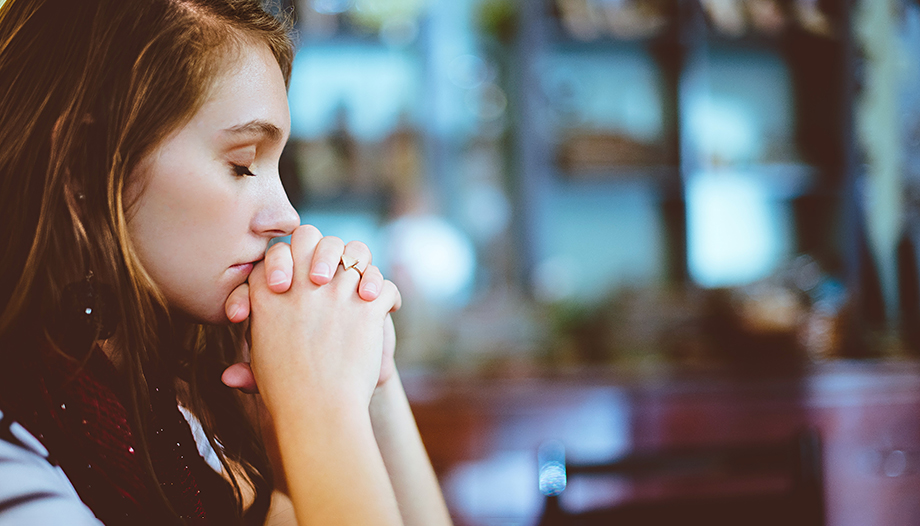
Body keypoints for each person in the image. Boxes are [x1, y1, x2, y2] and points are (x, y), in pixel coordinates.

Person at [0, 0, 453, 525]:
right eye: (242, 165)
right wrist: (318, 408)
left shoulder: (181, 409)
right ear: (83, 161)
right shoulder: (17, 452)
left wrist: (370, 375)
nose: (287, 217)